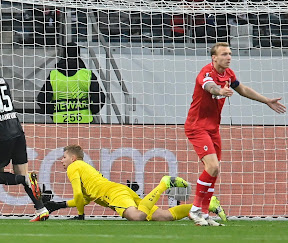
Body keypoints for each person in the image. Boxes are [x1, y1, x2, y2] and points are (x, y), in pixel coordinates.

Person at [185, 42, 286, 226]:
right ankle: (195, 210)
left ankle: (205, 214)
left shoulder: (229, 74)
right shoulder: (206, 72)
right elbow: (209, 87)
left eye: (230, 53)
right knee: (212, 166)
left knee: (215, 170)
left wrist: (266, 101)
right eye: (224, 54)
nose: (229, 57)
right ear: (214, 57)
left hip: (213, 128)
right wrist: (219, 90)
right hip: (196, 126)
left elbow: (243, 89)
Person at [44, 145, 226, 223]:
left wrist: (80, 216)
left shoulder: (73, 167)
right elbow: (83, 198)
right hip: (118, 190)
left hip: (113, 194)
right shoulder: (83, 167)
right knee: (164, 216)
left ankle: (163, 184)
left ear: (73, 158)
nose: (61, 160)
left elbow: (78, 195)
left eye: (64, 157)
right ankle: (208, 204)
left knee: (137, 217)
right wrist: (58, 205)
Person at [0, 46, 49, 222]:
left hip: (3, 134)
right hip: (17, 129)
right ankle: (41, 209)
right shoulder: (1, 79)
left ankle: (27, 180)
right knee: (22, 170)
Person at [37, 42, 105, 123]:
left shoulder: (54, 75)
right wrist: (91, 110)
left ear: (63, 55)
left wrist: (53, 112)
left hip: (60, 122)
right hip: (84, 121)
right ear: (78, 54)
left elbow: (41, 99)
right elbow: (100, 98)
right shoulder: (87, 74)